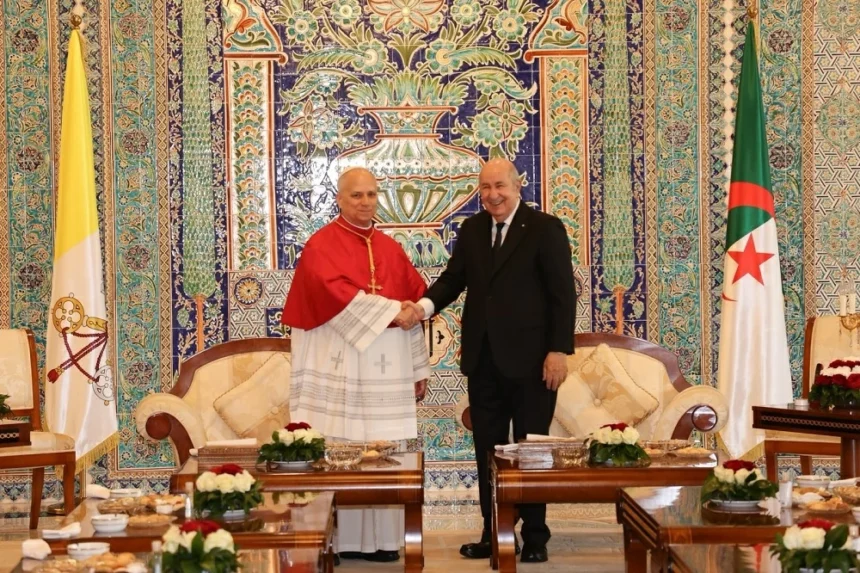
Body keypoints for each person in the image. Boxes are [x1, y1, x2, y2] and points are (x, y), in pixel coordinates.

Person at [405, 157, 575, 563]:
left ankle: (535, 536)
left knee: (531, 451)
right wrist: (422, 308)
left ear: (517, 187)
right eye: (485, 188)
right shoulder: (473, 229)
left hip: (534, 364)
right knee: (488, 451)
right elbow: (453, 279)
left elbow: (562, 294)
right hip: (483, 362)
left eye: (499, 186)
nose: (492, 195)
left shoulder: (544, 228)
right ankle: (494, 531)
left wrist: (558, 351)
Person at [281, 167, 428, 563]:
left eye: (371, 194)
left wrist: (417, 369)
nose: (365, 202)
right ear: (340, 199)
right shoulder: (320, 245)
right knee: (340, 446)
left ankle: (383, 541)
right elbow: (334, 294)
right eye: (356, 195)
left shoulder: (390, 247)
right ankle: (334, 539)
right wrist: (392, 311)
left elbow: (414, 305)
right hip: (341, 366)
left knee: (384, 449)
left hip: (385, 369)